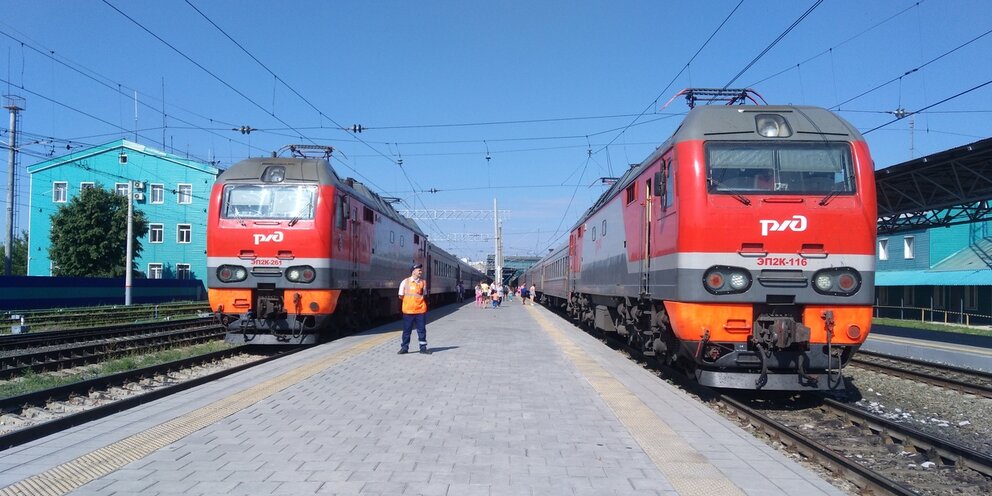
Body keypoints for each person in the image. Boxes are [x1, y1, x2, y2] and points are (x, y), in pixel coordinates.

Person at [398, 263, 430, 355]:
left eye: (420, 270)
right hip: (408, 311)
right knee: (407, 331)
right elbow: (400, 295)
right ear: (413, 271)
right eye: (419, 270)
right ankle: (404, 348)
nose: (421, 271)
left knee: (422, 330)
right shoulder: (405, 282)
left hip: (420, 310)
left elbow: (424, 294)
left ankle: (423, 348)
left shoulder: (423, 282)